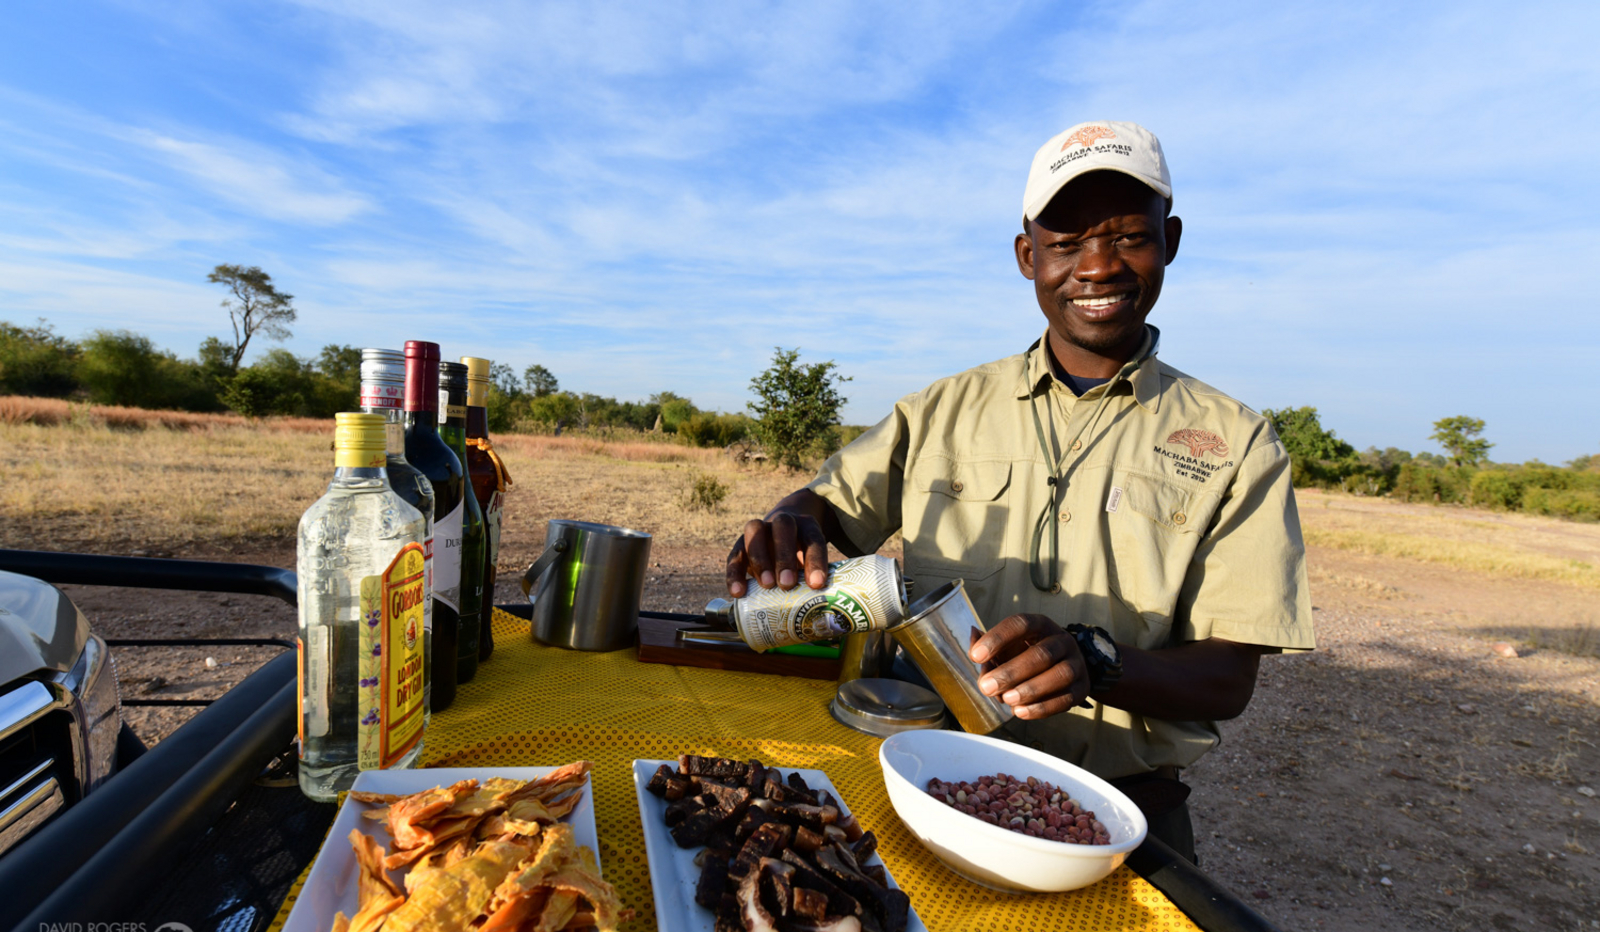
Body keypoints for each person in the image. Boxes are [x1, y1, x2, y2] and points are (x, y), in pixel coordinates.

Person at [724, 120, 1315, 861]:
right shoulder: (942, 409)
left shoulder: (1235, 442)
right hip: (930, 781)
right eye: (1066, 244)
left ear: (1172, 241)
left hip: (1119, 812)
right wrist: (790, 519)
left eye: (1130, 236)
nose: (1098, 267)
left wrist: (1095, 660)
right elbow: (829, 508)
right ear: (1026, 255)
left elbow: (1228, 678)